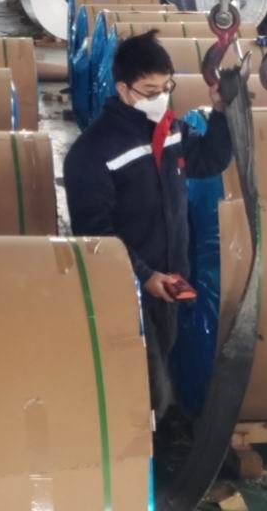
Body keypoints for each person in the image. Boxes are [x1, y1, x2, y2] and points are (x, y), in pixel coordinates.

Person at [65, 31, 234, 420]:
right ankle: (139, 447)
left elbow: (209, 161)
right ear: (123, 89)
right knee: (145, 386)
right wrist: (143, 275)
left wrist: (223, 113)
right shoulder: (92, 153)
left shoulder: (170, 131)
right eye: (150, 91)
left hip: (169, 281)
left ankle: (154, 430)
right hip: (126, 288)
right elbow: (94, 234)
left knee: (161, 367)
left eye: (166, 88)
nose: (160, 98)